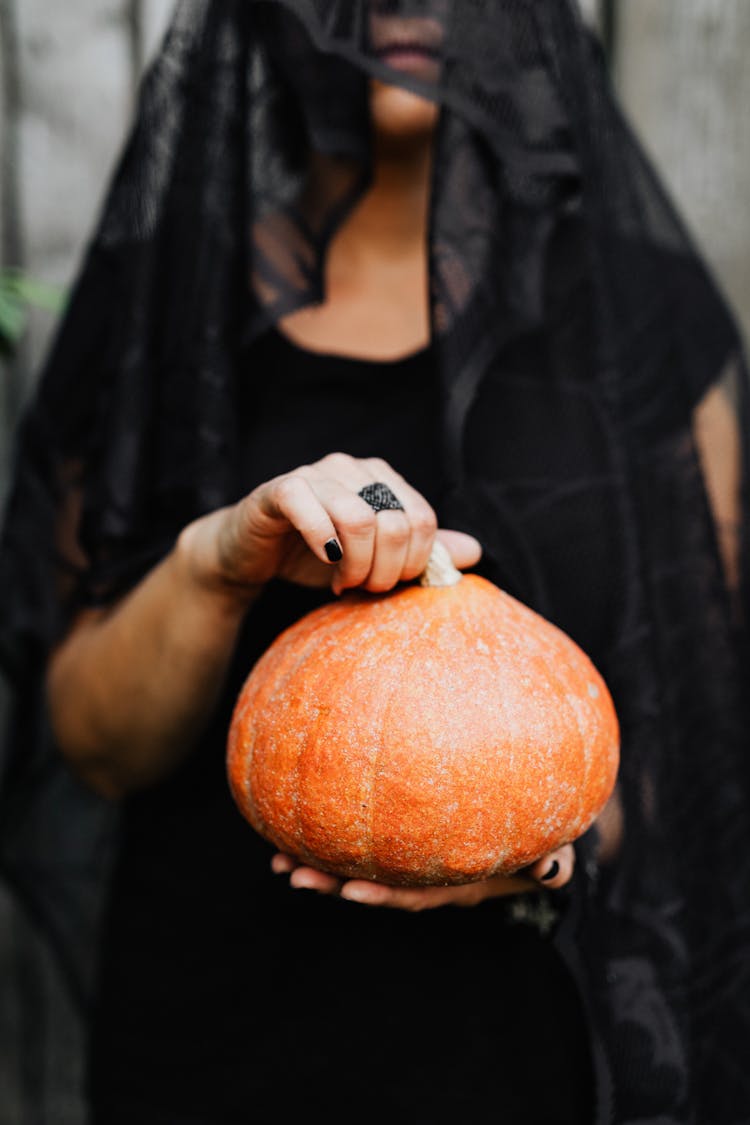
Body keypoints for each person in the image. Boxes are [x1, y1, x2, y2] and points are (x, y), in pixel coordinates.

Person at [1, 2, 749, 1123]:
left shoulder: (645, 314)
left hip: (529, 1040)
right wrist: (216, 562)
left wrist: (540, 836)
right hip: (214, 1035)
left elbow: (690, 721)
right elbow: (96, 749)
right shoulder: (167, 307)